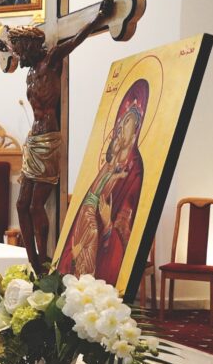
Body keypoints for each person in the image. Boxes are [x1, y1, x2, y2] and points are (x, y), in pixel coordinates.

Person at [0, 0, 114, 272]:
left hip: (48, 140)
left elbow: (77, 39)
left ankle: (44, 258)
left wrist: (99, 18)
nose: (17, 56)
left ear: (30, 46)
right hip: (33, 140)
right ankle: (33, 260)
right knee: (21, 204)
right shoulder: (29, 73)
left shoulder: (51, 60)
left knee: (36, 205)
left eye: (19, 50)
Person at [56, 79, 148, 282]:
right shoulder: (109, 162)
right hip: (89, 223)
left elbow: (126, 226)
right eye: (121, 121)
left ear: (136, 129)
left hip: (104, 241)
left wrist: (107, 223)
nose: (121, 126)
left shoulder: (135, 169)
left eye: (127, 122)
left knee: (90, 241)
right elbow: (91, 196)